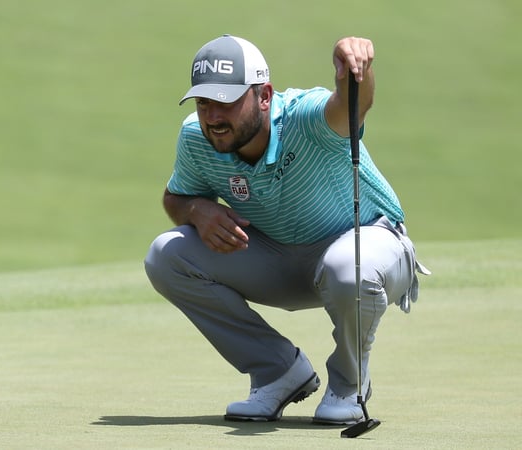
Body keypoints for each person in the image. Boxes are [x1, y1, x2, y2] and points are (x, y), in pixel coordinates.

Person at [144, 34, 429, 424]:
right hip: (280, 258)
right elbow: (175, 198)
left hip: (369, 247)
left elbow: (353, 104)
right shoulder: (197, 138)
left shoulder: (305, 117)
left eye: (225, 102)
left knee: (350, 268)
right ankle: (279, 372)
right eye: (203, 102)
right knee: (167, 255)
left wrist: (355, 70)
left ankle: (348, 385)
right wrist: (196, 210)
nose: (212, 116)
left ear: (264, 96)